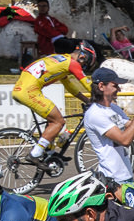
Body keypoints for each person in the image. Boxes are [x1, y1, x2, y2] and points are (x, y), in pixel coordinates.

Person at [11, 43, 95, 171]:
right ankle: (35, 154)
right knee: (58, 122)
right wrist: (102, 98)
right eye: (85, 63)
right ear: (82, 56)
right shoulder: (72, 64)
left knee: (52, 119)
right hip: (29, 91)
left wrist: (86, 100)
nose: (82, 66)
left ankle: (49, 153)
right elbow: (87, 83)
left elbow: (69, 86)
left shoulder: (60, 59)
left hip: (22, 89)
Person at [83, 67, 134, 184]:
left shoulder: (114, 108)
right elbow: (125, 140)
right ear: (101, 86)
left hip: (125, 174)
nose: (119, 89)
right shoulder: (95, 114)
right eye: (115, 86)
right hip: (112, 179)